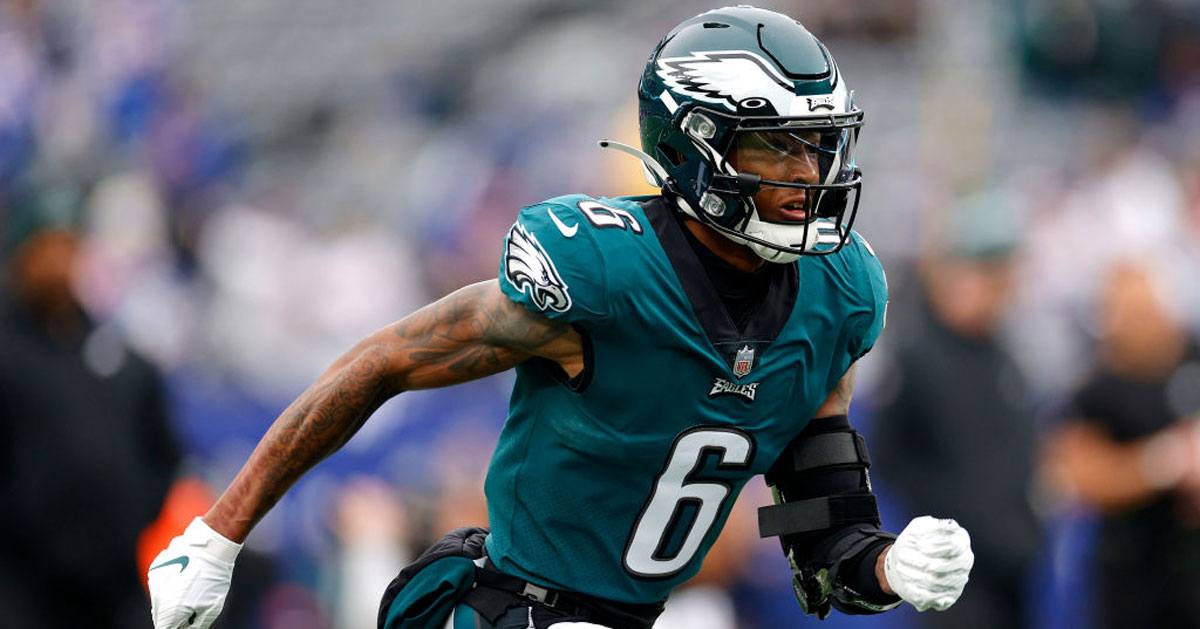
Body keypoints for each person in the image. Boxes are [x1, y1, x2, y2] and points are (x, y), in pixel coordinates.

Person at [148, 7, 974, 629]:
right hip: (512, 611)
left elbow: (823, 543)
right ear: (695, 146)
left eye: (818, 145)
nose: (809, 173)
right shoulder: (604, 273)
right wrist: (222, 531)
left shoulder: (837, 293)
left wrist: (892, 564)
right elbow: (385, 360)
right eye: (777, 147)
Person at [0, 202, 181, 628]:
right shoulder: (7, 353)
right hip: (21, 582)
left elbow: (162, 450)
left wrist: (134, 509)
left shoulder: (116, 354)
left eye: (67, 247)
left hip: (112, 579)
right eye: (45, 248)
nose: (56, 264)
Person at [873, 193, 1041, 629]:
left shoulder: (1004, 355)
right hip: (953, 577)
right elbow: (885, 459)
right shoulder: (916, 355)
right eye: (986, 274)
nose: (996, 290)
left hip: (1015, 570)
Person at [1043, 259, 1200, 629]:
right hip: (1132, 569)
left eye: (1144, 311)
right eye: (1125, 313)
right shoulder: (1095, 389)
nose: (1137, 324)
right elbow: (1072, 477)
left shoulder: (1192, 358)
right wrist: (1165, 463)